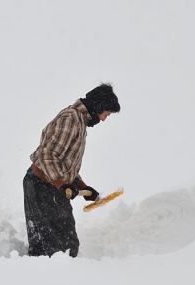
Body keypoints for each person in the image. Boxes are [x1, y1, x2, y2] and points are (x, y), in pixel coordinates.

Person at [23, 83, 121, 257]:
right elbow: (47, 155)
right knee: (58, 248)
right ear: (97, 106)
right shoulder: (70, 119)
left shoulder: (79, 122)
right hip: (41, 185)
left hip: (49, 185)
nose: (104, 119)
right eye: (105, 114)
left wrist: (81, 184)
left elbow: (64, 162)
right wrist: (61, 184)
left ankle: (49, 280)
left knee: (60, 245)